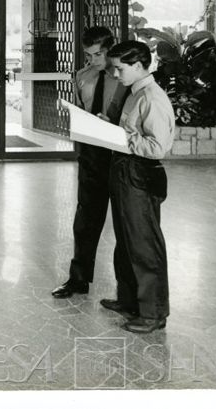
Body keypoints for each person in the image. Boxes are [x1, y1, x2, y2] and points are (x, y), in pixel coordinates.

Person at [100, 40, 175, 333]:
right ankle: (130, 300)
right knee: (126, 240)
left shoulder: (153, 98)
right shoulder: (134, 93)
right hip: (125, 171)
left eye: (120, 69)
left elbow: (157, 147)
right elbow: (131, 132)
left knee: (144, 245)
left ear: (138, 65)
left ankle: (153, 313)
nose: (116, 75)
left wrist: (122, 137)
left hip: (140, 175)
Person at [51, 26, 129, 298]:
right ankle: (78, 280)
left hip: (120, 156)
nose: (93, 60)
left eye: (98, 54)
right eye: (88, 54)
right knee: (85, 220)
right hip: (91, 156)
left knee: (124, 224)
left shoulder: (125, 77)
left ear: (110, 49)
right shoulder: (82, 77)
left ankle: (126, 290)